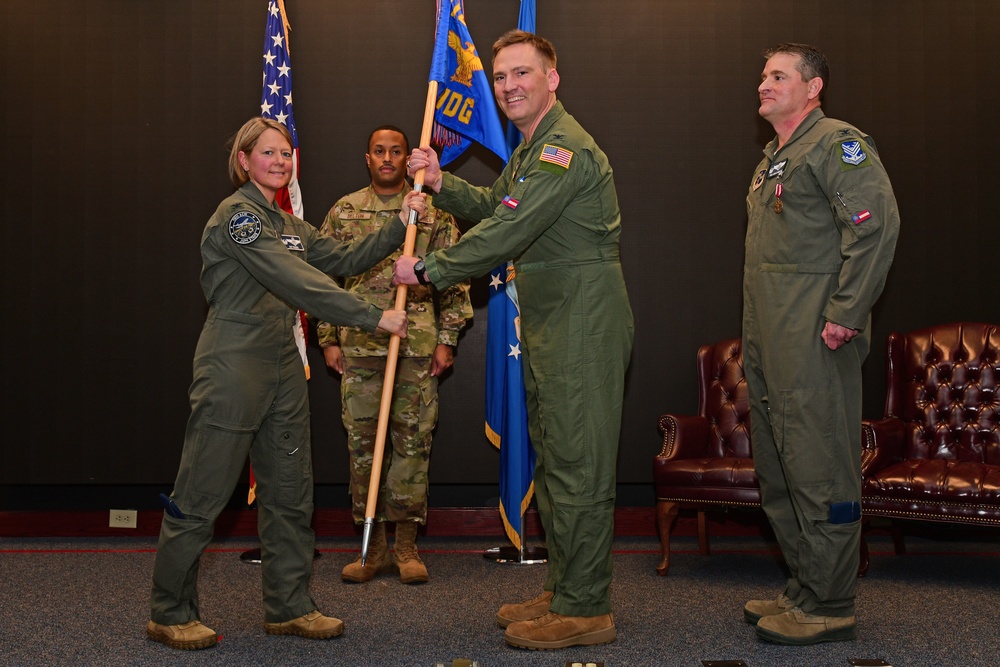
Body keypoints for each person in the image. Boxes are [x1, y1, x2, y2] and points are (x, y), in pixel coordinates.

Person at [396, 30, 633, 650]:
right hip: (556, 319)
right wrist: (444, 185)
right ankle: (565, 587)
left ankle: (587, 608)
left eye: (522, 74)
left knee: (578, 464)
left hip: (583, 318)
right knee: (557, 463)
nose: (508, 87)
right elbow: (503, 206)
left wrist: (428, 270)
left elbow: (511, 229)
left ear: (552, 78)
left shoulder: (564, 148)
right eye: (500, 78)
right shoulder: (531, 149)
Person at [146, 117, 419, 650]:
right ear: (244, 161)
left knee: (290, 493)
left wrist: (397, 222)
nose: (279, 161)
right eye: (267, 153)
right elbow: (295, 279)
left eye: (286, 153)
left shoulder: (287, 223)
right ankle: (169, 610)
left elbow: (339, 259)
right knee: (202, 493)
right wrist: (372, 316)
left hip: (283, 364)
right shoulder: (240, 220)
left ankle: (289, 606)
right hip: (233, 362)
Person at [741, 44, 899, 645]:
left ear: (813, 88)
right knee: (779, 464)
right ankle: (805, 586)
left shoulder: (837, 143)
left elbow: (876, 224)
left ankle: (832, 601)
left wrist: (847, 310)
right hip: (768, 331)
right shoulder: (773, 159)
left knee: (820, 462)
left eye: (778, 76)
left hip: (813, 333)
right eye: (762, 76)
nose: (764, 85)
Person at [316, 125, 472, 585]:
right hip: (361, 347)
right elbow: (323, 278)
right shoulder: (345, 211)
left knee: (411, 445)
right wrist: (327, 337)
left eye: (397, 151)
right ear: (367, 158)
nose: (388, 158)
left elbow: (456, 279)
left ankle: (406, 547)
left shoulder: (433, 212)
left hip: (416, 345)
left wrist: (447, 339)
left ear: (409, 158)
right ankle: (372, 548)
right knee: (364, 449)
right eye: (379, 151)